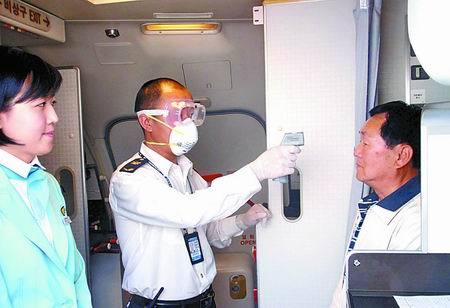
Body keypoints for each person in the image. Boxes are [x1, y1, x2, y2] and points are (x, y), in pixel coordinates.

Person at [109, 78, 301, 307]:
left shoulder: (188, 173)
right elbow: (188, 213)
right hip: (159, 304)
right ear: (146, 121)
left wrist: (243, 221)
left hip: (204, 299)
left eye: (191, 113)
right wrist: (256, 171)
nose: (187, 122)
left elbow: (208, 231)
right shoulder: (129, 179)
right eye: (179, 113)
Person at [0, 46, 92, 307]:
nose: (54, 117)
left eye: (53, 103)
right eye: (40, 105)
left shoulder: (47, 183)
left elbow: (74, 274)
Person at [331, 101, 421, 307]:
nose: (356, 151)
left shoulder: (418, 223)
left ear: (401, 156)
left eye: (365, 143)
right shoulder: (373, 203)